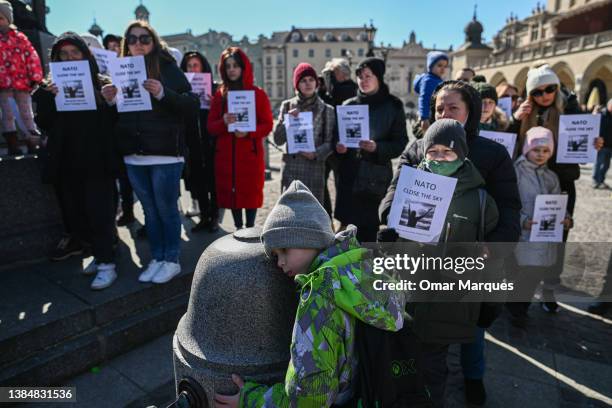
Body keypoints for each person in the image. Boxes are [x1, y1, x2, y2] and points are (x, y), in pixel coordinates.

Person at [380, 80, 521, 407]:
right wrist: (393, 218)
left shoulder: (492, 153)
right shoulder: (418, 148)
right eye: (439, 108)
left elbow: (509, 207)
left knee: (470, 331)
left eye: (453, 107)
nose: (444, 113)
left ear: (470, 112)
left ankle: (473, 378)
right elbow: (392, 195)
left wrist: (496, 246)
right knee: (417, 337)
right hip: (420, 261)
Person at [213, 180, 405, 407]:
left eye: (284, 251)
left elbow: (310, 399)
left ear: (309, 239)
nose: (280, 263)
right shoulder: (362, 264)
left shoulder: (319, 294)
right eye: (275, 256)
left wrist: (253, 400)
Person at [101, 20, 199, 284]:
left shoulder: (166, 67)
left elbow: (191, 105)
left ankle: (172, 259)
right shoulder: (120, 70)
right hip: (134, 154)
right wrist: (109, 102)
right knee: (149, 210)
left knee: (166, 209)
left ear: (153, 41)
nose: (138, 44)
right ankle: (157, 257)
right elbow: (115, 119)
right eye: (132, 39)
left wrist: (162, 93)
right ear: (125, 44)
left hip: (165, 153)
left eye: (145, 39)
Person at [33, 32, 118, 290]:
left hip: (96, 160)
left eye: (75, 53)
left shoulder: (102, 84)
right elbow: (43, 124)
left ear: (85, 55)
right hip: (67, 162)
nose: (70, 58)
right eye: (64, 55)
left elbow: (114, 124)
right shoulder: (48, 87)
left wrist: (108, 102)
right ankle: (97, 254)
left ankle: (107, 264)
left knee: (99, 212)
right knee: (77, 213)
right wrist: (48, 98)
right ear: (56, 59)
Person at [334, 57, 408, 242]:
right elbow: (336, 138)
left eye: (368, 76)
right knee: (346, 230)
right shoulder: (348, 105)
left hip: (375, 178)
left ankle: (366, 268)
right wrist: (339, 147)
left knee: (368, 231)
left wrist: (378, 147)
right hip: (349, 177)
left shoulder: (393, 105)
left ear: (379, 77)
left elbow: (400, 142)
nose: (363, 80)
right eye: (360, 76)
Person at [509, 127, 572, 327]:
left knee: (532, 275)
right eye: (536, 150)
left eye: (546, 151)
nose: (540, 155)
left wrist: (566, 218)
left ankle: (520, 309)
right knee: (519, 274)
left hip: (542, 237)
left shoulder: (551, 177)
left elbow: (557, 204)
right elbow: (509, 202)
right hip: (521, 235)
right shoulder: (516, 172)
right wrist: (522, 221)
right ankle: (515, 309)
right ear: (527, 148)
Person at [207, 47, 273, 230]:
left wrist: (249, 133)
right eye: (228, 66)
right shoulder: (220, 95)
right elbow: (211, 126)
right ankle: (238, 230)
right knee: (232, 196)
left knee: (250, 194)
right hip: (226, 157)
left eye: (235, 65)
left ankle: (251, 229)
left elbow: (267, 125)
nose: (232, 70)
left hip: (249, 156)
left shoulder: (257, 94)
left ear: (243, 67)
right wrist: (223, 122)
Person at [272, 63, 335, 204]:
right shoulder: (287, 106)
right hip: (291, 170)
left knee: (312, 214)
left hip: (314, 169)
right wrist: (287, 120)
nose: (308, 84)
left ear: (316, 83)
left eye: (311, 80)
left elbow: (330, 142)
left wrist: (316, 153)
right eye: (303, 80)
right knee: (290, 213)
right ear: (297, 85)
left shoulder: (327, 110)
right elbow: (278, 139)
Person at [180, 51, 219, 232]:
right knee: (198, 181)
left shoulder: (215, 88)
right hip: (193, 142)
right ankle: (204, 216)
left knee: (213, 181)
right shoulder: (182, 91)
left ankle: (214, 217)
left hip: (211, 143)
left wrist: (214, 106)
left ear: (203, 67)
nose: (193, 69)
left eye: (196, 65)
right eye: (189, 66)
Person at [0, 0, 43, 155]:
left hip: (22, 84)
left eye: (1, 18)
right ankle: (12, 143)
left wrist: (35, 77)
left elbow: (32, 57)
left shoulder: (20, 38)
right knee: (8, 114)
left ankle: (31, 140)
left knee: (26, 113)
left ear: (8, 19)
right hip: (4, 86)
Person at [320, 58, 358, 218]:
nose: (330, 76)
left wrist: (324, 89)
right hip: (331, 142)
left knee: (341, 183)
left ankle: (335, 217)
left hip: (341, 145)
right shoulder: (336, 89)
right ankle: (334, 216)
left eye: (332, 73)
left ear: (342, 74)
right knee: (326, 181)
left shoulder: (346, 90)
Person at [414, 51, 449, 132]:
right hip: (429, 117)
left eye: (445, 66)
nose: (443, 68)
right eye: (439, 65)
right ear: (431, 66)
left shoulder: (437, 79)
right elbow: (424, 98)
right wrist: (424, 118)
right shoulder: (429, 80)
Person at [592, 99, 612, 189]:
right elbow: (592, 124)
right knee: (599, 163)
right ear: (609, 105)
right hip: (601, 145)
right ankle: (595, 181)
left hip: (610, 145)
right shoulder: (601, 114)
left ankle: (601, 181)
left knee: (606, 165)